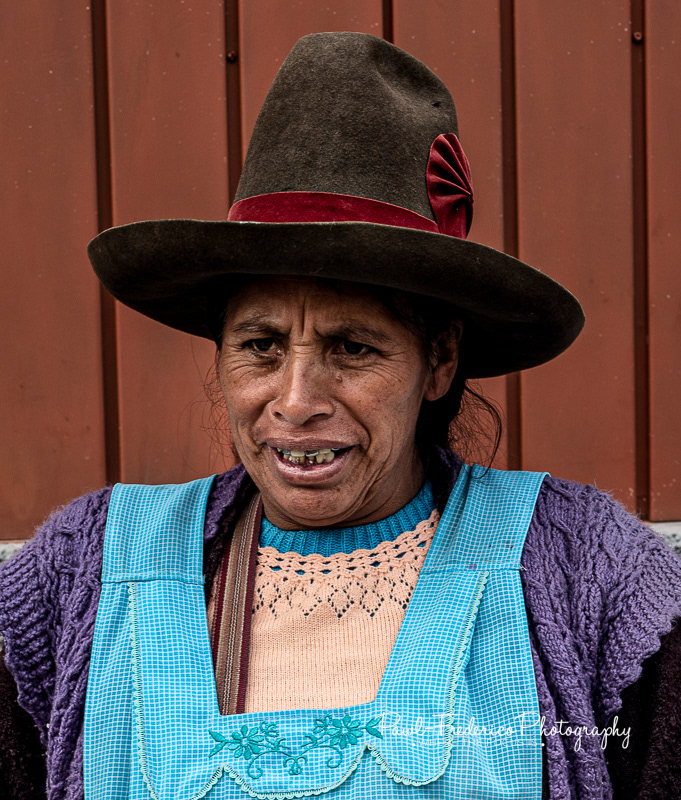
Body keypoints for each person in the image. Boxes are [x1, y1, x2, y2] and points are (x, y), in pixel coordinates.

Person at [1, 31, 680, 800]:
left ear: (440, 360)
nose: (294, 401)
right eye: (259, 345)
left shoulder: (589, 572)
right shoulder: (79, 574)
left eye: (352, 348)